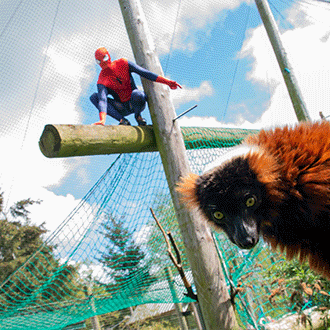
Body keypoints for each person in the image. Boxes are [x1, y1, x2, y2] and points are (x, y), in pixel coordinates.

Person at [90, 47, 182, 126]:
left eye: (104, 58)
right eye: (99, 61)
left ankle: (138, 116)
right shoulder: (102, 79)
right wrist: (102, 120)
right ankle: (123, 120)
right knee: (94, 97)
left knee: (138, 94)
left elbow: (145, 73)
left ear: (108, 56)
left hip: (135, 102)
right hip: (121, 107)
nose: (103, 62)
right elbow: (102, 100)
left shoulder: (122, 63)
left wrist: (167, 82)